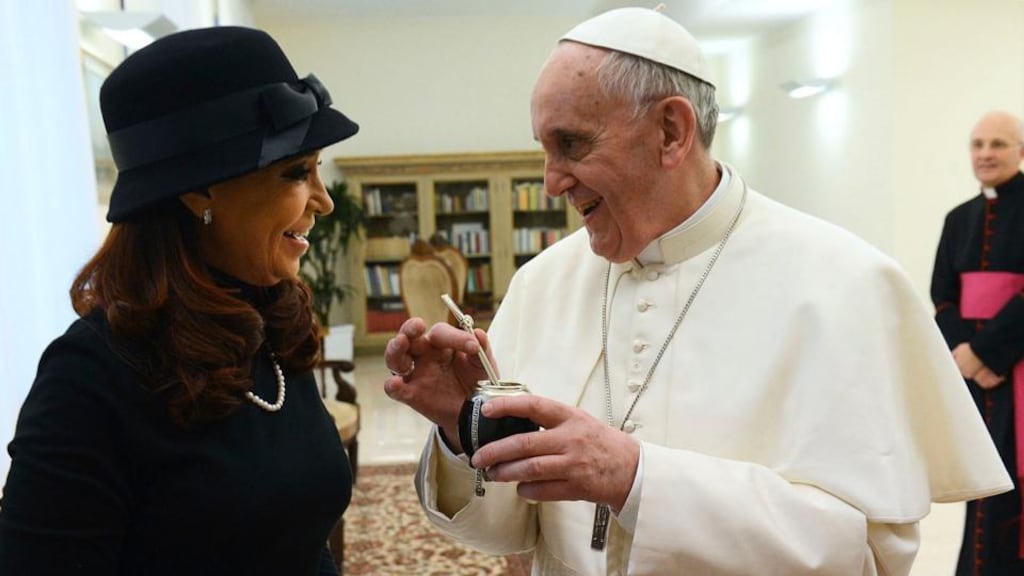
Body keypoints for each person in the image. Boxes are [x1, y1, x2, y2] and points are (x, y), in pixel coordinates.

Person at [383, 7, 1013, 574]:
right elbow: (511, 531)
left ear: (671, 132)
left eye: (571, 144)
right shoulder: (545, 281)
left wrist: (636, 480)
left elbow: (862, 555)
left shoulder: (844, 284)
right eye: (544, 149)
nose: (549, 182)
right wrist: (464, 434)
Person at [0, 26, 359, 575]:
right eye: (296, 173)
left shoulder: (274, 320)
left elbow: (300, 541)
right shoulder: (89, 379)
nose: (324, 201)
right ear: (199, 191)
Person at [931, 110, 1024, 576]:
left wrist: (988, 352)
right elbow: (941, 297)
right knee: (982, 482)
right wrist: (967, 357)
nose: (986, 154)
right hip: (975, 374)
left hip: (1019, 368)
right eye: (978, 144)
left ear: (1020, 151)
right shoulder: (958, 218)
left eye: (998, 144)